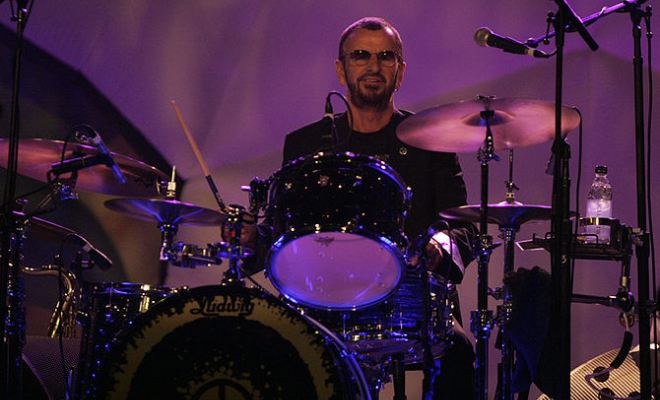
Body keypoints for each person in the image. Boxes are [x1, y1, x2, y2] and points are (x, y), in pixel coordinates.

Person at [281, 17, 477, 399]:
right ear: (341, 69)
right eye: (361, 56)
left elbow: (464, 226)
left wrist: (439, 248)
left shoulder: (431, 141)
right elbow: (282, 230)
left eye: (386, 57)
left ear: (400, 72)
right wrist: (249, 236)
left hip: (411, 304)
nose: (374, 66)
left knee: (458, 351)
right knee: (280, 348)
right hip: (325, 304)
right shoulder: (306, 144)